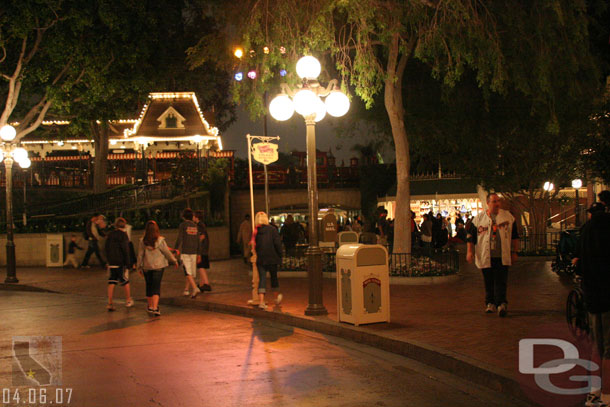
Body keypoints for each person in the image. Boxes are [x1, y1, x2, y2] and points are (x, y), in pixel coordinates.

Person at [574, 193, 610, 407]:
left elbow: (577, 261)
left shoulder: (586, 231)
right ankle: (607, 394)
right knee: (609, 347)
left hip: (592, 294)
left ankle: (594, 392)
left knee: (597, 345)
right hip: (607, 294)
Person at [466, 193, 519, 317]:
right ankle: (490, 303)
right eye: (494, 201)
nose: (497, 204)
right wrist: (470, 251)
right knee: (488, 280)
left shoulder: (508, 217)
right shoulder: (479, 218)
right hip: (485, 255)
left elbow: (515, 236)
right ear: (488, 203)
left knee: (501, 280)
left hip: (502, 255)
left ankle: (501, 303)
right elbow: (470, 237)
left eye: (498, 201)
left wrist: (515, 251)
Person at [137, 220, 177, 317]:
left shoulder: (143, 241)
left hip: (147, 267)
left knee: (149, 286)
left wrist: (139, 267)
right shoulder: (160, 241)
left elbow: (140, 255)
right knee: (156, 286)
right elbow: (166, 252)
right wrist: (174, 260)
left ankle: (150, 306)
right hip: (158, 266)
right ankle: (155, 308)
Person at [252, 211, 283, 310]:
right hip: (272, 257)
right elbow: (277, 244)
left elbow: (254, 245)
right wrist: (280, 254)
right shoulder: (272, 230)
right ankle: (276, 297)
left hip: (261, 258)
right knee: (274, 277)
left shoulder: (256, 231)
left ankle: (261, 302)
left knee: (262, 278)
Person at [104, 217, 134, 311]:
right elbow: (125, 249)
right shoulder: (123, 235)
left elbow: (106, 248)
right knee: (125, 280)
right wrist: (128, 263)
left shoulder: (110, 235)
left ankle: (110, 303)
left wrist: (108, 260)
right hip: (120, 261)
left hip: (112, 261)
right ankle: (128, 299)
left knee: (112, 281)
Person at [175, 208, 201, 298]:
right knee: (190, 272)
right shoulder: (195, 226)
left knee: (187, 271)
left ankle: (194, 288)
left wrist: (175, 249)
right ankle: (186, 289)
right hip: (194, 251)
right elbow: (198, 240)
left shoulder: (183, 225)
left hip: (186, 251)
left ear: (183, 216)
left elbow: (180, 237)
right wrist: (199, 253)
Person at [194, 210, 212, 292]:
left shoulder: (199, 226)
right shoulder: (202, 225)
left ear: (196, 217)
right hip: (204, 249)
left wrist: (197, 245)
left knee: (200, 266)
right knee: (201, 266)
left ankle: (206, 283)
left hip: (201, 249)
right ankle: (202, 284)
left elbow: (202, 237)